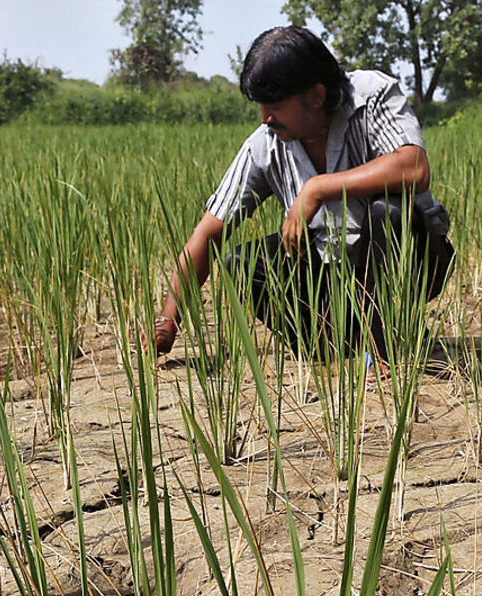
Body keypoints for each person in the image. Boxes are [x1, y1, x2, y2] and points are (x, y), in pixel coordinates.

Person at [151, 25, 454, 374]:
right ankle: (338, 344)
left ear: (316, 96)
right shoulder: (266, 143)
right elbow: (208, 233)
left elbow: (413, 167)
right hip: (333, 272)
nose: (265, 118)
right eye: (261, 106)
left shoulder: (372, 96)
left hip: (412, 260)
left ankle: (383, 347)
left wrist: (318, 187)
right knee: (243, 263)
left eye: (276, 106)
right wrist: (167, 322)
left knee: (389, 211)